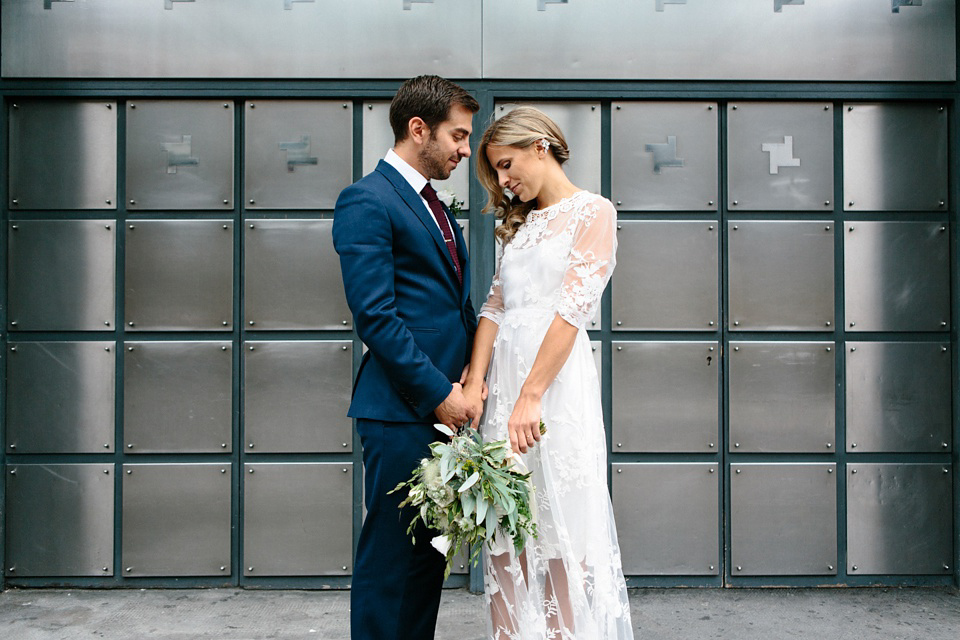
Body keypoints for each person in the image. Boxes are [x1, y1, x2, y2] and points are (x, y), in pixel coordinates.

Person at [463, 106, 634, 639]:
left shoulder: (593, 211)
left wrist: (531, 395)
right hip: (506, 387)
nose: (505, 182)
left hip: (554, 387)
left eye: (507, 165)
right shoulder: (520, 223)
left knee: (562, 529)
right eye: (497, 173)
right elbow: (494, 307)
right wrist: (474, 384)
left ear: (541, 146)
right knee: (507, 527)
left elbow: (574, 309)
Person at [332, 75, 480, 640]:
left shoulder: (431, 203)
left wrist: (471, 376)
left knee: (425, 560)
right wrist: (440, 393)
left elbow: (448, 309)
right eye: (458, 136)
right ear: (419, 129)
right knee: (393, 561)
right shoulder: (367, 199)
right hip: (402, 409)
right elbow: (376, 316)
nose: (466, 150)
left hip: (442, 406)